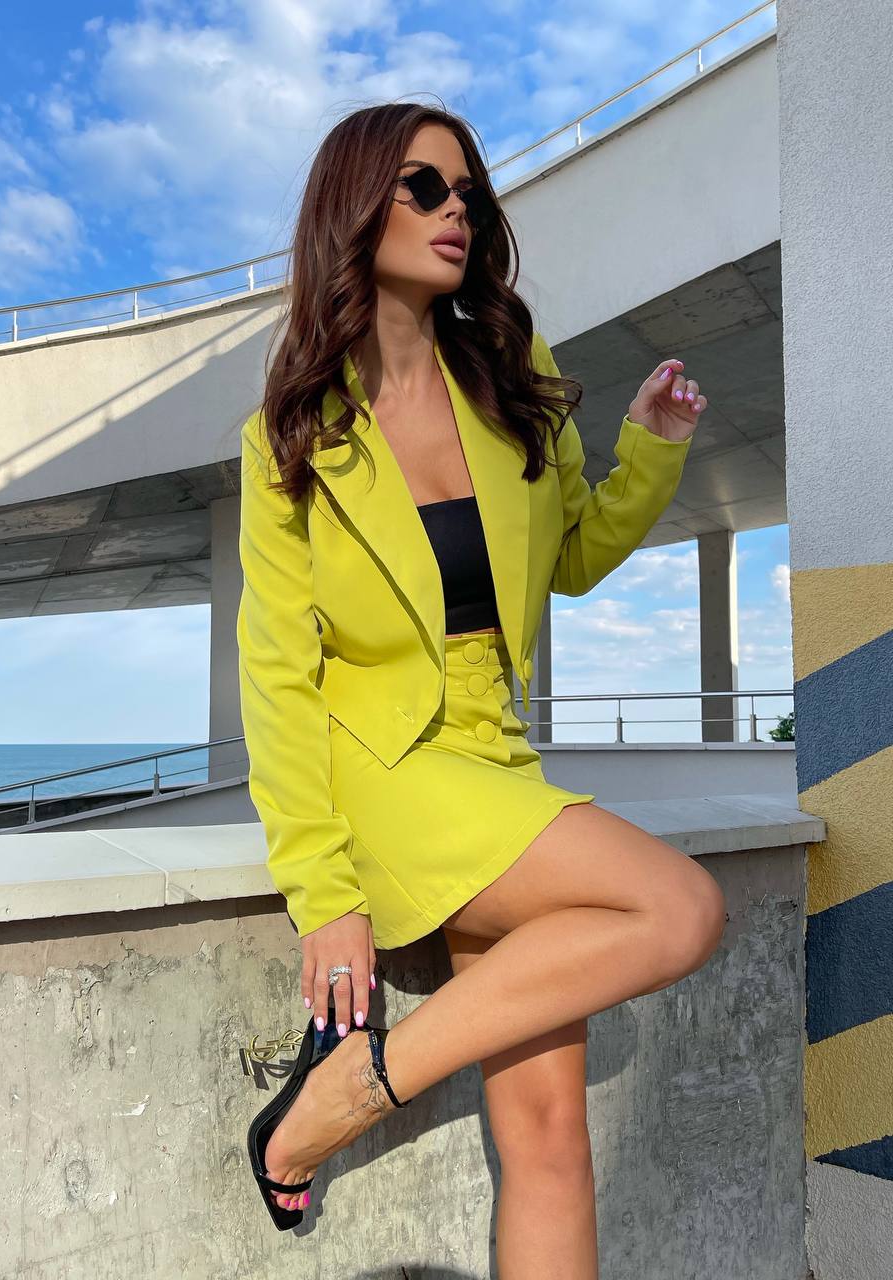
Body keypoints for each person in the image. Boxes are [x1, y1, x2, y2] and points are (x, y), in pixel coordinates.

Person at [237, 100, 726, 1271]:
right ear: (356, 206)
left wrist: (648, 447)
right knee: (679, 906)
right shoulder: (291, 431)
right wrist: (324, 892)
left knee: (553, 1131)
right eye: (423, 186)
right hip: (389, 765)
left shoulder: (511, 369)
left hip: (495, 750)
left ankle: (348, 1085)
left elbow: (566, 557)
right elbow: (278, 674)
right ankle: (357, 1085)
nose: (456, 209)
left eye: (467, 192)